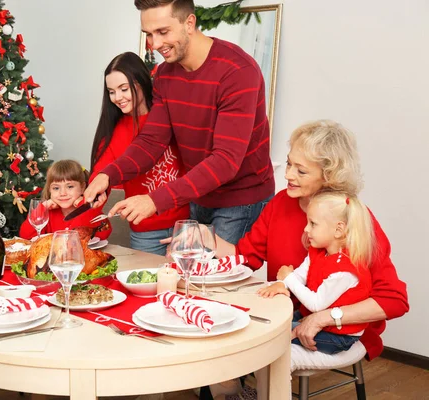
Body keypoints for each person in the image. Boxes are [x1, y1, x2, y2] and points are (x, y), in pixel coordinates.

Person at [83, 0, 274, 245]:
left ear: (189, 23)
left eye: (163, 32)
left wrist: (155, 200)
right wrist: (108, 175)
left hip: (240, 201)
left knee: (216, 280)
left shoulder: (237, 71)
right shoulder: (164, 74)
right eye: (149, 34)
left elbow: (225, 161)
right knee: (186, 276)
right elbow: (152, 141)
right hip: (198, 197)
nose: (155, 44)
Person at [215, 120, 408, 361]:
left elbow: (394, 300)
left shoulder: (352, 218)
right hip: (286, 316)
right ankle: (234, 391)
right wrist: (209, 240)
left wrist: (324, 317)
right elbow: (245, 258)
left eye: (301, 170)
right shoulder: (281, 202)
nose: (287, 175)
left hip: (339, 332)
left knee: (246, 346)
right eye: (288, 163)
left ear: (328, 176)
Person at [91, 52, 189, 255]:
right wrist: (95, 191)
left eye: (123, 89)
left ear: (142, 82)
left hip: (186, 225)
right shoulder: (114, 132)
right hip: (146, 233)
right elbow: (102, 172)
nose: (117, 97)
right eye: (111, 92)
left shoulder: (170, 118)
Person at [259, 191, 374, 355]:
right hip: (313, 317)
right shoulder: (319, 251)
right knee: (270, 321)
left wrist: (288, 278)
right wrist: (282, 283)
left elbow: (316, 303)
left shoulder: (344, 271)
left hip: (338, 335)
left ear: (338, 229)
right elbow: (300, 275)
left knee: (272, 333)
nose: (306, 229)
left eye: (313, 224)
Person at [19, 160, 112, 240]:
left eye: (70, 186)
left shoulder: (92, 211)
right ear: (49, 190)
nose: (62, 193)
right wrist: (43, 207)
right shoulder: (48, 213)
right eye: (56, 188)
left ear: (83, 187)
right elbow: (26, 236)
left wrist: (82, 205)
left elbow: (103, 234)